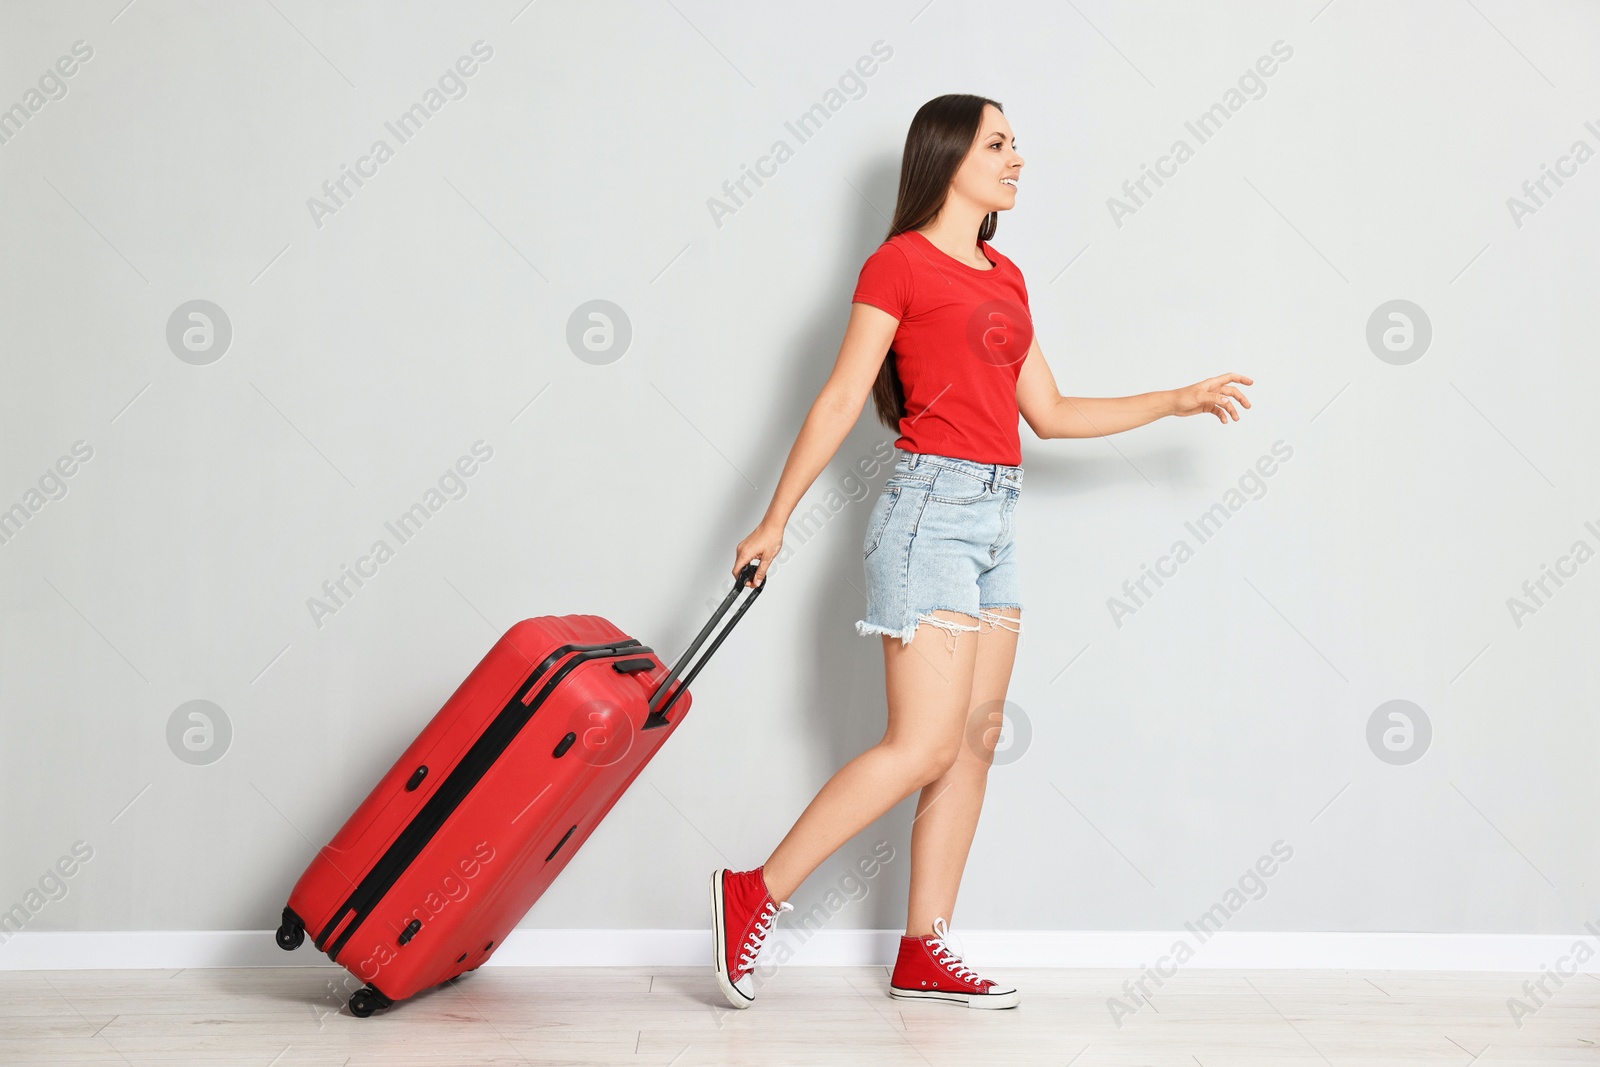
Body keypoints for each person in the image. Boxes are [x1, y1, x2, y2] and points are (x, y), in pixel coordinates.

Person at [710, 93, 1252, 1011]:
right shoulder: (898, 264)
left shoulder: (1007, 276)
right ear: (950, 155)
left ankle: (925, 948)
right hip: (928, 512)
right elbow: (843, 397)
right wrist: (775, 520)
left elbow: (1049, 412)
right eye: (999, 143)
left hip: (996, 517)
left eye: (1015, 144)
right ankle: (753, 891)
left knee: (971, 742)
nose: (1017, 159)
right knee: (919, 743)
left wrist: (1175, 399)